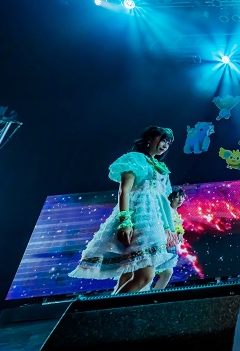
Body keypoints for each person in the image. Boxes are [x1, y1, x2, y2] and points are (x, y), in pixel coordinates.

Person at [69, 126, 178, 294]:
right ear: (150, 139)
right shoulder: (135, 158)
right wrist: (125, 222)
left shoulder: (161, 167)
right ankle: (105, 308)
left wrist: (169, 228)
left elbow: (162, 200)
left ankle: (113, 307)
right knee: (144, 275)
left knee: (131, 273)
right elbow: (124, 190)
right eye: (163, 140)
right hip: (137, 217)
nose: (165, 145)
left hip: (153, 222)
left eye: (168, 143)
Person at [151, 186, 187, 290]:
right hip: (163, 244)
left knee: (167, 272)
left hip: (171, 244)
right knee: (162, 272)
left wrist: (180, 232)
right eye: (177, 197)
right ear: (170, 198)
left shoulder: (174, 212)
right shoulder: (166, 211)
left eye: (182, 197)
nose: (180, 199)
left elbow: (177, 226)